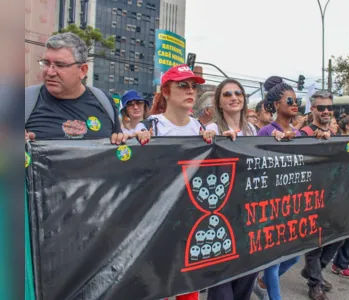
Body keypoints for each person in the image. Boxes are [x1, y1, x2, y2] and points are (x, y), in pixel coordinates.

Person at [135, 64, 215, 300]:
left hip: (190, 224)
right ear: (167, 92)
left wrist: (216, 141)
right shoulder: (150, 126)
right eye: (183, 85)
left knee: (188, 291)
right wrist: (133, 142)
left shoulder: (200, 129)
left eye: (193, 87)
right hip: (156, 225)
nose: (190, 91)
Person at [204, 79, 258, 300]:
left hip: (249, 214)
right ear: (219, 103)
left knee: (245, 280)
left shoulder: (252, 129)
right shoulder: (213, 128)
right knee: (222, 288)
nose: (234, 97)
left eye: (238, 93)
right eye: (227, 94)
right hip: (222, 216)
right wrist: (213, 140)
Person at [25, 32, 127, 145]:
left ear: (82, 70)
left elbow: (118, 149)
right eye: (46, 63)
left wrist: (133, 140)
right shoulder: (24, 101)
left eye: (60, 65)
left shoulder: (105, 102)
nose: (50, 72)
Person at [253, 79, 301, 300]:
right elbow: (255, 166)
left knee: (294, 257)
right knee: (272, 260)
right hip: (270, 205)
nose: (295, 104)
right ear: (275, 104)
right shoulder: (265, 132)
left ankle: (260, 282)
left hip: (293, 204)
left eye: (296, 100)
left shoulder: (300, 135)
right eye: (289, 100)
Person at [298, 91, 340, 300]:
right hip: (311, 196)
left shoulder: (336, 133)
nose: (326, 111)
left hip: (333, 196)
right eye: (321, 107)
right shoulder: (304, 133)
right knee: (315, 242)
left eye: (329, 107)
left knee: (341, 234)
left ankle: (314, 270)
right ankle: (315, 284)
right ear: (313, 109)